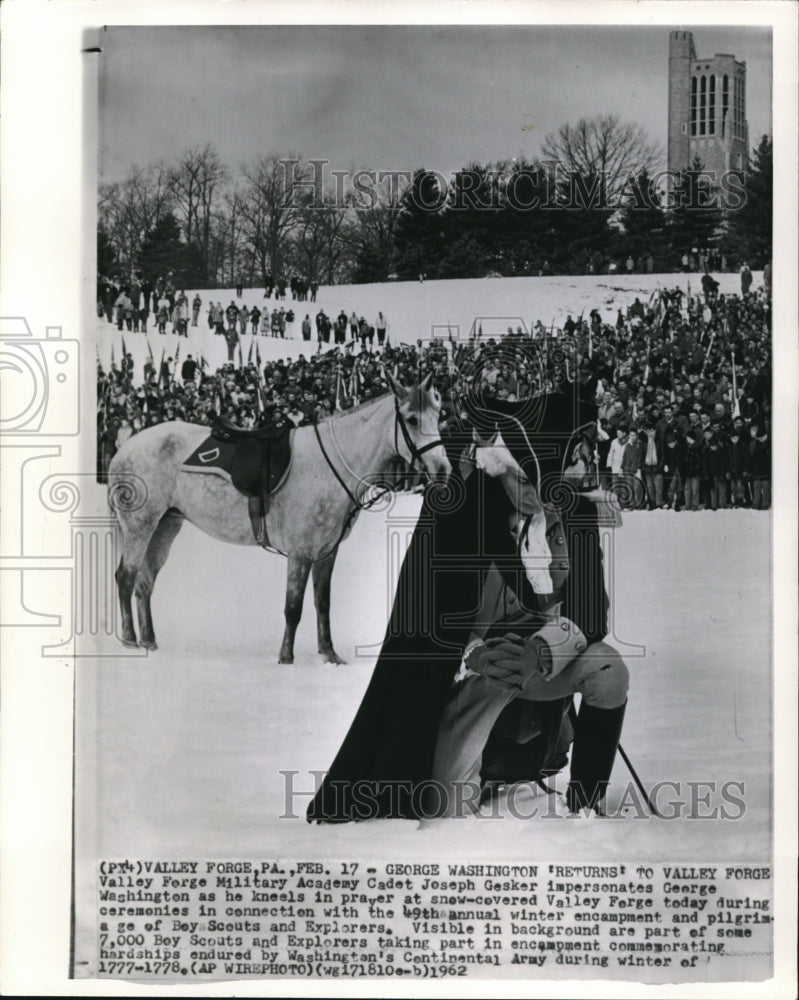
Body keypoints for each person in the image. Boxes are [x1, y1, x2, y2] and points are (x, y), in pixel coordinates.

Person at [308, 386, 629, 822]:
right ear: (504, 469)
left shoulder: (576, 513)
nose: (537, 494)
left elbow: (592, 612)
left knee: (609, 669)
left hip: (540, 663)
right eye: (525, 479)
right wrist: (476, 654)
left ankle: (586, 806)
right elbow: (428, 626)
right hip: (473, 676)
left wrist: (540, 651)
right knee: (447, 806)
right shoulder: (460, 517)